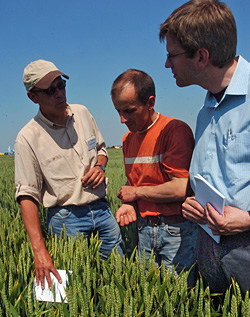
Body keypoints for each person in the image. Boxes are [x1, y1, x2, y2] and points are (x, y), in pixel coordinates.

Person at [159, 0, 250, 294]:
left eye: (172, 55)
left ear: (201, 57)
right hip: (210, 255)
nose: (167, 64)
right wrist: (194, 203)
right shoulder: (205, 110)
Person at [15, 59, 124, 288]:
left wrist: (100, 166)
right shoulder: (28, 138)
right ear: (33, 97)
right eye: (49, 90)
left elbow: (102, 149)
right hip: (66, 222)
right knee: (77, 292)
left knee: (118, 282)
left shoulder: (83, 113)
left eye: (61, 85)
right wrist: (39, 251)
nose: (59, 93)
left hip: (103, 212)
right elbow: (27, 195)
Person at [111, 69, 197, 285]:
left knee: (178, 301)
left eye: (129, 111)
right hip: (144, 230)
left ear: (150, 102)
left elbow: (180, 188)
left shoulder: (173, 131)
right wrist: (130, 204)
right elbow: (135, 184)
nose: (122, 119)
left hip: (176, 232)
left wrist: (136, 193)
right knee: (149, 297)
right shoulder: (128, 140)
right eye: (118, 111)